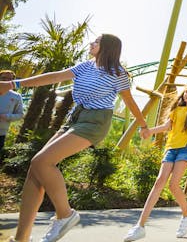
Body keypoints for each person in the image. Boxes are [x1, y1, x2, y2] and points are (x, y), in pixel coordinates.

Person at [1, 34, 149, 242]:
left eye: (96, 42)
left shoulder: (117, 74)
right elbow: (54, 77)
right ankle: (21, 238)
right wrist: (15, 84)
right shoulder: (86, 66)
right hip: (76, 118)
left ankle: (65, 214)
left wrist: (143, 126)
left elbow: (130, 102)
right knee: (35, 171)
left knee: (41, 161)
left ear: (106, 47)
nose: (91, 44)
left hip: (95, 122)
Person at [124, 82, 187, 241]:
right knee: (159, 182)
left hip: (186, 148)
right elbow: (166, 126)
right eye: (186, 91)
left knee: (173, 184)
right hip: (171, 148)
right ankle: (140, 226)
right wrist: (149, 131)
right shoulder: (176, 110)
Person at [0, 70, 24, 157]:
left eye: (10, 79)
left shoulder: (16, 96)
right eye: (3, 78)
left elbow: (20, 115)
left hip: (1, 132)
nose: (6, 81)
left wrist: (5, 116)